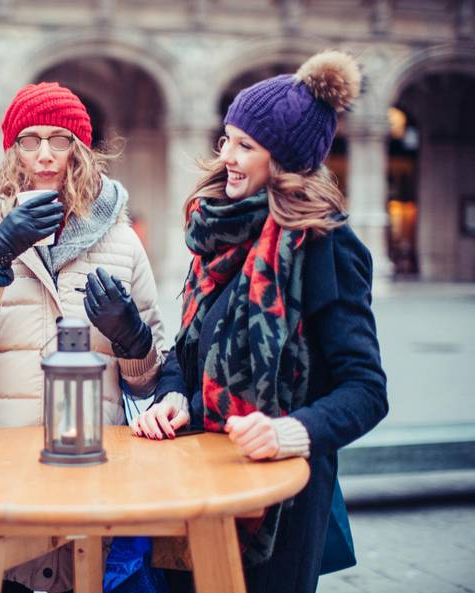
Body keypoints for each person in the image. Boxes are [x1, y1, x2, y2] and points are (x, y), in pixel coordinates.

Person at [132, 51, 389, 593]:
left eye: (246, 145)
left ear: (286, 161)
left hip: (281, 499)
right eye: (226, 138)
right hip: (198, 481)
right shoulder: (215, 234)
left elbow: (366, 390)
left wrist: (287, 432)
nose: (226, 154)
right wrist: (174, 397)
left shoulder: (326, 247)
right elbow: (186, 353)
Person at [0, 82, 166, 593]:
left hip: (91, 473)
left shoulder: (121, 241)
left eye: (59, 139)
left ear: (79, 149)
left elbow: (150, 383)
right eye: (29, 139)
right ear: (11, 149)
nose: (43, 155)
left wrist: (132, 338)